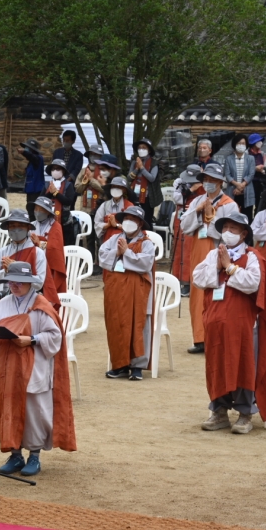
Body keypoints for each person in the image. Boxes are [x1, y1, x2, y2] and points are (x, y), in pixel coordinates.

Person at [193, 212, 266, 433]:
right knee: (217, 365)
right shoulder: (215, 254)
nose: (228, 233)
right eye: (225, 228)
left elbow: (253, 283)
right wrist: (218, 266)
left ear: (243, 234)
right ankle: (219, 411)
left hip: (242, 323)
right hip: (215, 321)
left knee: (243, 365)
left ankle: (245, 414)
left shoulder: (253, 256)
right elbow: (198, 278)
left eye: (233, 229)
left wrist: (230, 268)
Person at [0, 261, 76, 476]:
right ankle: (15, 454)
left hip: (34, 367)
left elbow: (55, 336)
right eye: (11, 281)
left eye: (20, 282)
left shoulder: (41, 304)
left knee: (34, 412)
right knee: (9, 409)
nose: (14, 285)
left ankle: (34, 456)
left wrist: (32, 339)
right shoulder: (2, 303)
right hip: (8, 368)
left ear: (30, 283)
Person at [180, 163, 238, 354]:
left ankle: (216, 339)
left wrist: (210, 217)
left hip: (218, 251)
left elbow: (229, 234)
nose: (208, 184)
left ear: (221, 183)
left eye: (212, 180)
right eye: (206, 180)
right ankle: (199, 338)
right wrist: (198, 212)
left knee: (217, 294)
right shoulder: (197, 200)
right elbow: (185, 226)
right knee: (197, 295)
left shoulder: (229, 205)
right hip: (197, 251)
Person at [99, 205, 156, 381]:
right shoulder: (114, 239)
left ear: (140, 223)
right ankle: (120, 365)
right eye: (126, 219)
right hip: (116, 290)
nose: (129, 222)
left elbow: (146, 264)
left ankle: (137, 365)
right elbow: (102, 257)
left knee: (138, 326)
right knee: (116, 324)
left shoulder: (147, 243)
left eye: (133, 220)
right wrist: (117, 251)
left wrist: (127, 253)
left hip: (138, 291)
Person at [0, 209, 57, 307]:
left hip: (30, 303)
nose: (16, 229)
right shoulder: (1, 253)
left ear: (28, 228)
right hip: (5, 302)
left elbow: (39, 283)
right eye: (12, 226)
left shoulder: (37, 253)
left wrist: (16, 269)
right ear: (7, 228)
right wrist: (5, 272)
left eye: (20, 225)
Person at [172, 165, 202, 297]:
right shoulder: (179, 182)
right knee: (179, 250)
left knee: (191, 250)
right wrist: (191, 190)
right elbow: (177, 198)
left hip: (196, 218)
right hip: (180, 217)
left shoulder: (204, 184)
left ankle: (189, 282)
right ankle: (177, 280)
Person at [30, 195, 67, 302]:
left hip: (50, 268)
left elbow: (55, 250)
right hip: (32, 265)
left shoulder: (56, 227)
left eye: (41, 209)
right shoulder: (31, 225)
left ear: (47, 212)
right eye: (36, 209)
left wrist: (39, 243)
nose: (37, 212)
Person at [127, 138, 163, 227]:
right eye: (139, 148)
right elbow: (129, 178)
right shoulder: (134, 162)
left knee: (146, 221)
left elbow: (151, 178)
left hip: (148, 197)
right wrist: (137, 169)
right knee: (134, 219)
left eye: (144, 148)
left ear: (149, 150)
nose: (141, 150)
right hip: (134, 195)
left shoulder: (154, 163)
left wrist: (142, 168)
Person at [43, 158, 77, 245]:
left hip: (64, 222)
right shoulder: (47, 184)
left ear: (63, 171)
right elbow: (41, 200)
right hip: (47, 220)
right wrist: (50, 193)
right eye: (53, 169)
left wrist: (56, 193)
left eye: (58, 169)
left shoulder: (68, 185)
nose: (55, 171)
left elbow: (69, 201)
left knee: (65, 245)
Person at [224, 134, 256, 218]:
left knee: (247, 216)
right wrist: (237, 185)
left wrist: (242, 185)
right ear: (235, 144)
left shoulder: (250, 158)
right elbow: (227, 174)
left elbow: (251, 174)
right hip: (232, 190)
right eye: (239, 143)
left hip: (247, 190)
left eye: (243, 143)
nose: (241, 145)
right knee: (231, 215)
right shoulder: (228, 159)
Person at [247, 133, 266, 207]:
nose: (260, 143)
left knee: (259, 202)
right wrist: (255, 168)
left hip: (260, 181)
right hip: (249, 181)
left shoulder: (262, 154)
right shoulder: (247, 154)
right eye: (258, 141)